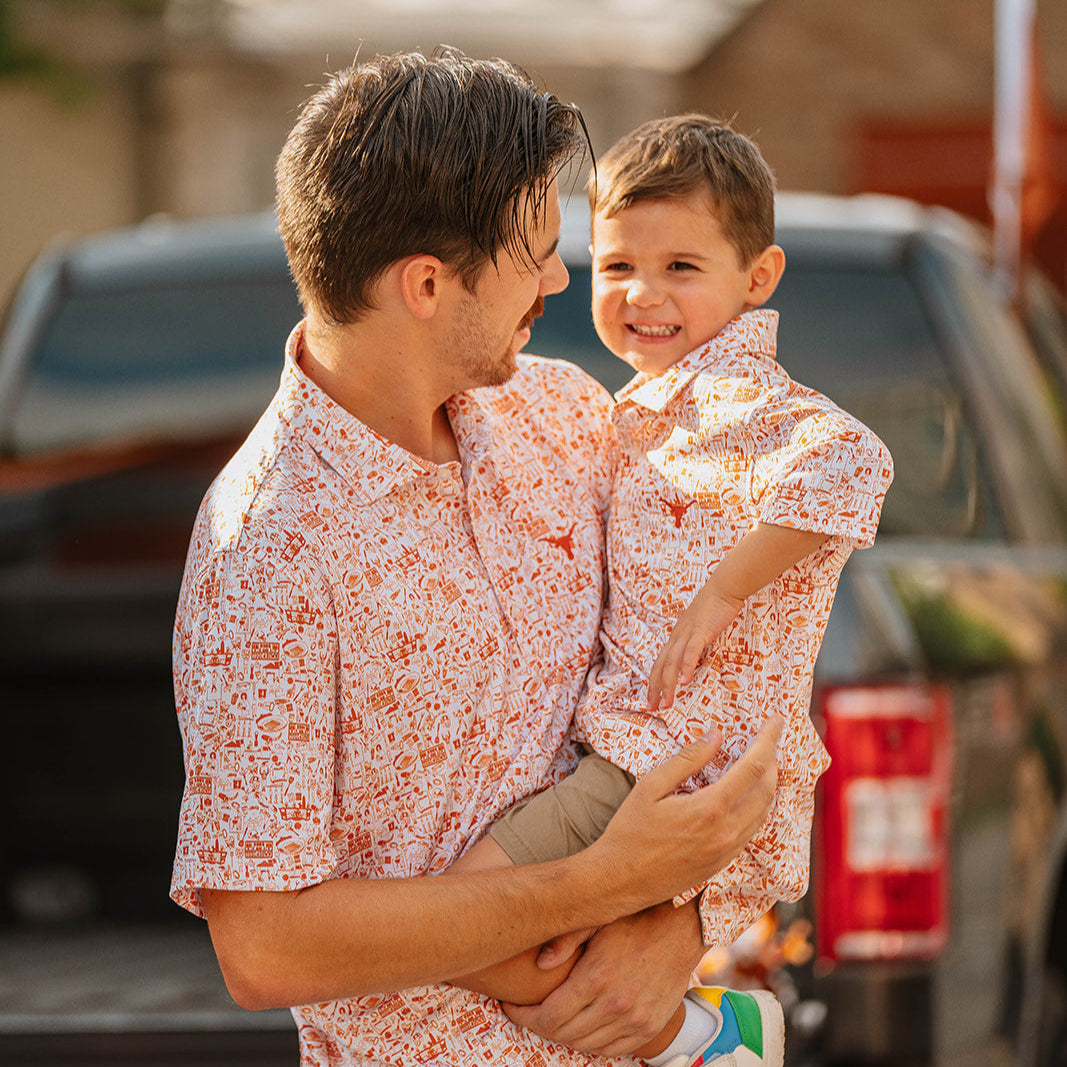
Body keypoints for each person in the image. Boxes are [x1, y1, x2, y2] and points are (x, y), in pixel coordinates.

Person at [170, 50, 782, 1067]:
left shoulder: (569, 417)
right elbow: (263, 945)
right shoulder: (264, 553)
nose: (559, 278)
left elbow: (732, 669)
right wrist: (593, 889)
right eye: (536, 252)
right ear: (424, 283)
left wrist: (676, 926)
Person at [447, 115, 894, 1067]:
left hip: (670, 766)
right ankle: (702, 1035)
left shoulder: (741, 401)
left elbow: (857, 460)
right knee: (560, 954)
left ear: (757, 278)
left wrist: (721, 592)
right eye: (615, 267)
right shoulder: (642, 409)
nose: (643, 294)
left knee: (461, 918)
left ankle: (707, 1040)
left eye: (681, 268)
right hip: (630, 754)